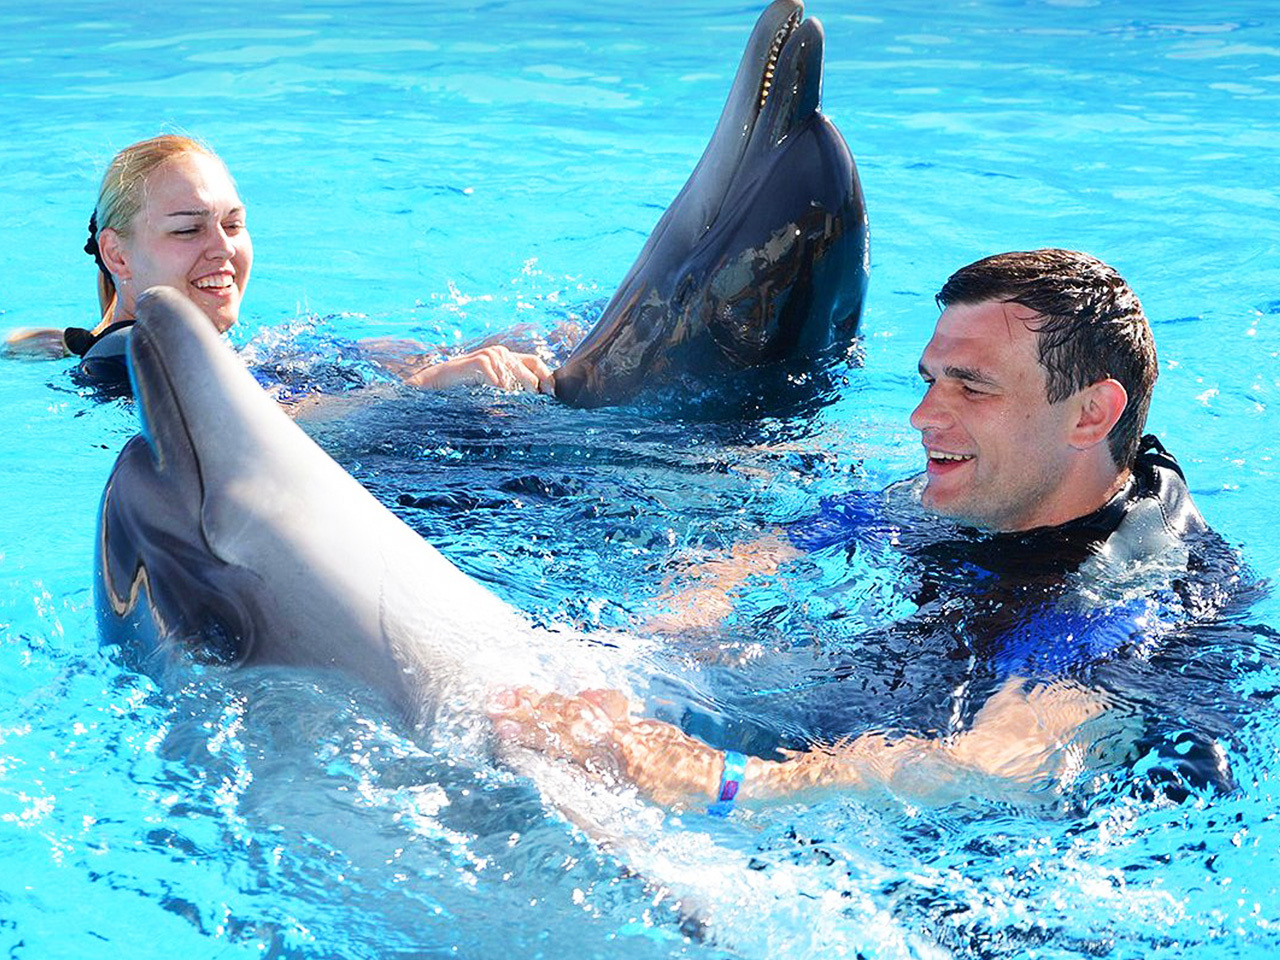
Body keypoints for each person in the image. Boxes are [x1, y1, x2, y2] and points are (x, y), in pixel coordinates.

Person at [488, 248, 1250, 810]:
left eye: (972, 388)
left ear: (1091, 414)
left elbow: (991, 763)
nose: (922, 417)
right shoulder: (1008, 484)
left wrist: (714, 782)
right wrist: (680, 627)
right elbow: (786, 542)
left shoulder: (1130, 595)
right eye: (931, 381)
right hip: (933, 689)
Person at [3, 134, 554, 396]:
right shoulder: (134, 352)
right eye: (188, 229)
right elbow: (264, 431)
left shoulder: (103, 345)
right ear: (117, 254)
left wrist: (446, 361)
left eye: (233, 224)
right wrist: (428, 387)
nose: (222, 249)